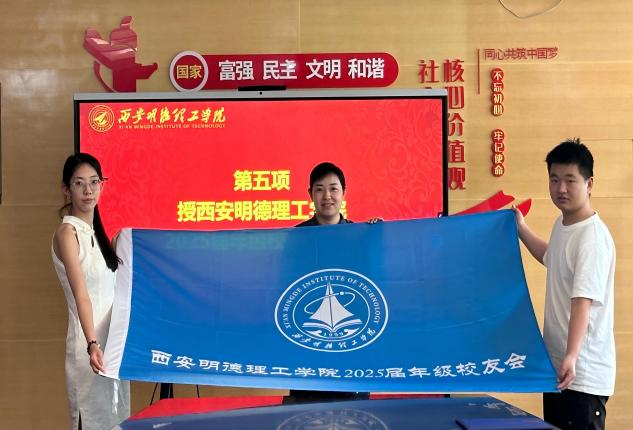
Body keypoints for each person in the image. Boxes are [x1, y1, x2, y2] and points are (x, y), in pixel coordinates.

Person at [513, 139, 615, 430]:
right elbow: (551, 257)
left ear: (589, 184)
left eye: (570, 180)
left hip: (582, 374)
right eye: (554, 179)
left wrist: (571, 356)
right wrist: (521, 228)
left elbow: (582, 301)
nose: (561, 189)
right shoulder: (564, 224)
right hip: (559, 368)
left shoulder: (592, 239)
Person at [285, 162, 378, 404]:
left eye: (333, 189)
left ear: (344, 192)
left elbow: (375, 283)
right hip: (308, 340)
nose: (327, 196)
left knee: (354, 414)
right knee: (305, 413)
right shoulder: (296, 237)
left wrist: (378, 237)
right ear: (310, 194)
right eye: (320, 189)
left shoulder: (360, 236)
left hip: (352, 341)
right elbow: (286, 286)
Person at [52, 153, 130, 429]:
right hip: (89, 348)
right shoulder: (67, 234)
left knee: (116, 420)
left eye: (94, 182)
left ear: (102, 185)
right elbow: (81, 295)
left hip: (113, 349)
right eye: (79, 183)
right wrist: (92, 344)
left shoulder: (100, 235)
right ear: (66, 189)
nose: (88, 190)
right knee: (92, 421)